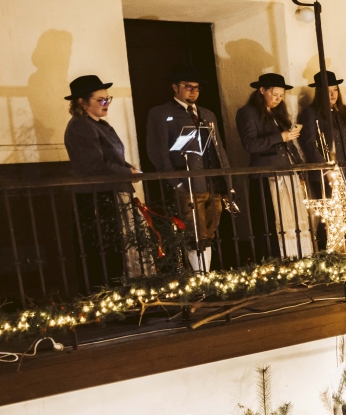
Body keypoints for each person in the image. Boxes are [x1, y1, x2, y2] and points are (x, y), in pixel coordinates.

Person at [145, 63, 226, 268]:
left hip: (212, 182)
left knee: (209, 230)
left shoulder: (207, 114)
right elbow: (159, 153)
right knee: (193, 233)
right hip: (188, 184)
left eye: (197, 88)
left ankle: (206, 274)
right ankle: (200, 278)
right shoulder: (161, 113)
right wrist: (177, 184)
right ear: (175, 87)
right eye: (188, 87)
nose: (193, 92)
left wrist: (226, 180)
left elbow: (218, 150)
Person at [64, 73, 140, 270]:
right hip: (99, 196)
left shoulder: (99, 124)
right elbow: (95, 165)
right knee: (111, 250)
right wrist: (127, 172)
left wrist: (128, 168)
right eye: (100, 100)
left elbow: (112, 158)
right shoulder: (81, 126)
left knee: (124, 245)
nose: (106, 103)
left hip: (111, 191)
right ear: (82, 102)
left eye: (108, 99)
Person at [237, 71, 307, 258]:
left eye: (281, 96)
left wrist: (300, 170)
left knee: (292, 218)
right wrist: (280, 137)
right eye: (274, 94)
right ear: (261, 90)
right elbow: (250, 144)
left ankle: (298, 257)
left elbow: (289, 144)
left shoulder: (278, 112)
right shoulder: (248, 113)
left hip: (287, 171)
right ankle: (279, 260)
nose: (278, 99)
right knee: (273, 220)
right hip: (267, 175)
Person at [299, 71, 346, 252]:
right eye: (328, 91)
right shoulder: (311, 113)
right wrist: (327, 171)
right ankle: (325, 255)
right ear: (319, 92)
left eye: (335, 89)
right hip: (324, 176)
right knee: (327, 216)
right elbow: (310, 146)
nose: (333, 94)